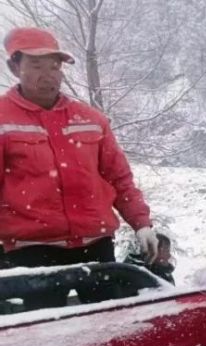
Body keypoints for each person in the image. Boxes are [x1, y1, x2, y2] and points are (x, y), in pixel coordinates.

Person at [0, 27, 160, 308]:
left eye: (54, 66)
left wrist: (142, 223)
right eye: (36, 65)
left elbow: (119, 178)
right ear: (14, 67)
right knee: (49, 335)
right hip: (33, 252)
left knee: (109, 326)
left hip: (95, 245)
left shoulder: (90, 119)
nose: (48, 74)